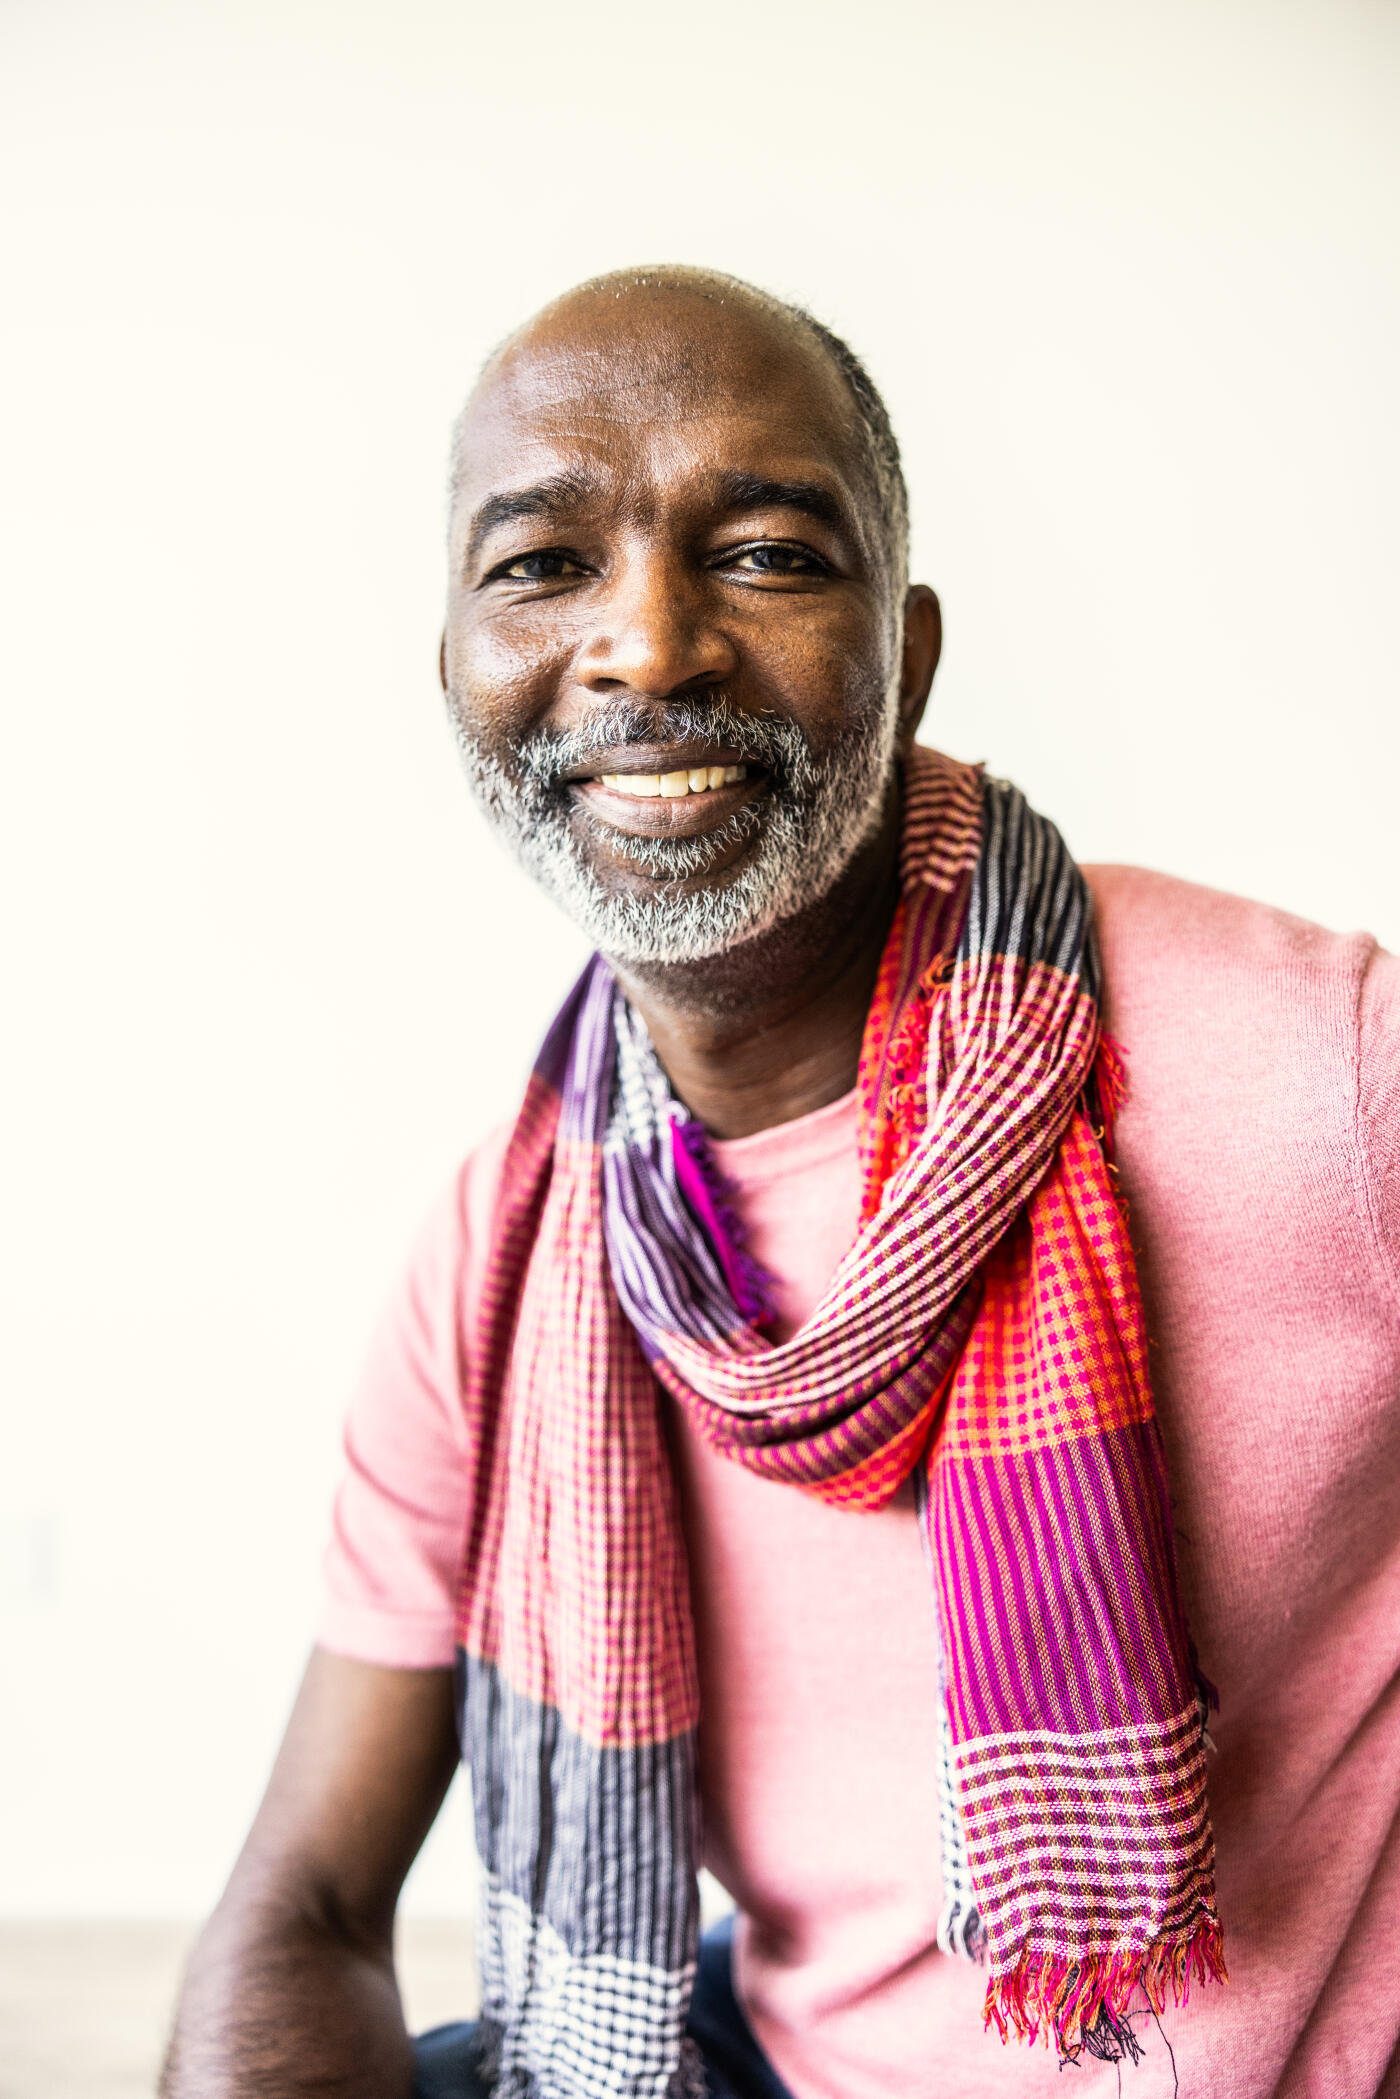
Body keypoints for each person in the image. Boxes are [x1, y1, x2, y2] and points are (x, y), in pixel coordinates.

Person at [161, 268, 1400, 2099]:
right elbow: (312, 1911)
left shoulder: (1323, 1073)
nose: (647, 647)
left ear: (906, 658)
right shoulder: (503, 1265)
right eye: (540, 567)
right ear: (455, 677)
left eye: (763, 552)